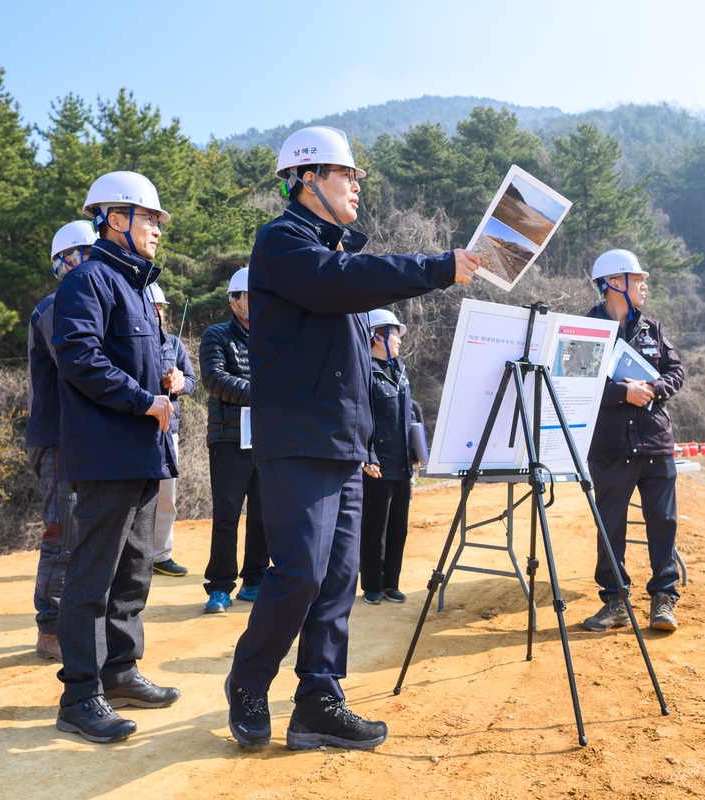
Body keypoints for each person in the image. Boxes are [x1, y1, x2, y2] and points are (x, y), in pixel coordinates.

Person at [225, 125, 480, 752]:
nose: (358, 185)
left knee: (339, 576)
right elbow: (343, 278)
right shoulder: (283, 242)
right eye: (349, 175)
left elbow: (352, 358)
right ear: (308, 179)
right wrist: (440, 267)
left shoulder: (327, 253)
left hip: (342, 441)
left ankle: (319, 700)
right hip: (297, 439)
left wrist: (365, 438)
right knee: (303, 572)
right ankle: (249, 682)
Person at [51, 171, 181, 744]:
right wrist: (143, 399)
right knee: (91, 578)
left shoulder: (135, 288)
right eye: (150, 217)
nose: (157, 228)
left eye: (157, 220)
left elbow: (134, 359)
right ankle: (80, 695)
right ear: (115, 218)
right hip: (106, 454)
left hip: (142, 453)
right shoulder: (88, 281)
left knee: (132, 571)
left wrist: (169, 379)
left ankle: (120, 671)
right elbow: (79, 358)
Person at [580, 249, 685, 634]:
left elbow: (676, 372)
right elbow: (574, 382)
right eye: (636, 277)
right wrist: (622, 394)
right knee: (611, 527)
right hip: (609, 447)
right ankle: (615, 602)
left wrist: (653, 388)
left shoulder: (653, 329)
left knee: (663, 522)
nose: (644, 284)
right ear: (612, 283)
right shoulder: (583, 331)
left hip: (655, 442)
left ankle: (664, 599)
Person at [25, 220, 95, 661]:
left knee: (85, 532)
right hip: (57, 438)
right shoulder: (56, 306)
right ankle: (50, 628)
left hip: (82, 437)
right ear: (69, 261)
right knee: (62, 531)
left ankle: (71, 621)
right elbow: (79, 365)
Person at [199, 267, 269, 613]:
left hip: (266, 438)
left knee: (263, 514)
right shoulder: (216, 336)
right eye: (250, 297)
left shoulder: (272, 336)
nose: (256, 303)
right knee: (227, 515)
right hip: (228, 438)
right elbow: (215, 380)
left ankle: (254, 581)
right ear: (234, 301)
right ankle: (220, 587)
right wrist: (265, 395)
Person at [360, 308, 419, 605]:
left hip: (401, 462)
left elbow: (409, 414)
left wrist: (417, 450)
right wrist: (367, 456)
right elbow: (359, 417)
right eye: (394, 333)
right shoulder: (364, 371)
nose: (398, 340)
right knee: (375, 526)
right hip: (377, 464)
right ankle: (372, 583)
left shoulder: (400, 370)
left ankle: (390, 583)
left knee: (398, 525)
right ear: (377, 335)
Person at [145, 281, 196, 578]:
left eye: (160, 308)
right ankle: (127, 557)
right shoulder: (126, 342)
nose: (157, 313)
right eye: (152, 307)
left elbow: (191, 379)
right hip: (136, 427)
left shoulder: (174, 344)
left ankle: (160, 555)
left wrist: (178, 383)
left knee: (167, 495)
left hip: (168, 430)